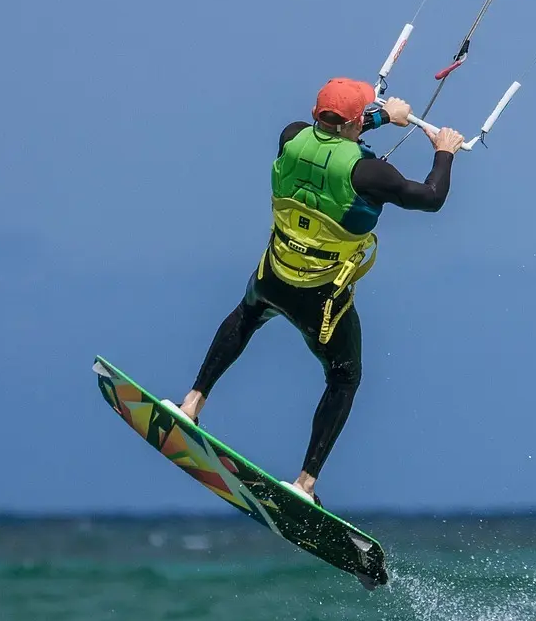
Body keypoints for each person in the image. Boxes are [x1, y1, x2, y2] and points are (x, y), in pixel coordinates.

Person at [177, 78, 466, 505]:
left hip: (274, 275)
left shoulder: (291, 136)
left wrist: (384, 116)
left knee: (247, 314)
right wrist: (444, 150)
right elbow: (431, 197)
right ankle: (305, 484)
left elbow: (335, 137)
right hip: (319, 297)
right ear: (355, 123)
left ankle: (190, 404)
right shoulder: (370, 174)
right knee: (344, 377)